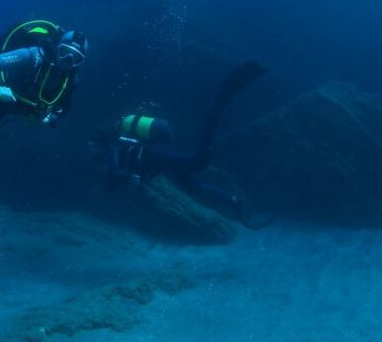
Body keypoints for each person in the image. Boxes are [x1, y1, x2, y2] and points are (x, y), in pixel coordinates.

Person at [89, 61, 272, 229]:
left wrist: (106, 184)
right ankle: (235, 202)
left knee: (197, 162)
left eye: (95, 150)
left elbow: (116, 173)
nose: (95, 154)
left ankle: (225, 95)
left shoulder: (112, 149)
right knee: (196, 187)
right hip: (159, 163)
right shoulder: (116, 145)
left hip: (155, 155)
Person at [0, 20, 87, 127]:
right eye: (65, 52)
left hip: (26, 108)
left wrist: (52, 117)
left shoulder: (70, 79)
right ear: (57, 48)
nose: (68, 60)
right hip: (4, 96)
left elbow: (64, 106)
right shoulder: (35, 56)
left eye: (77, 58)